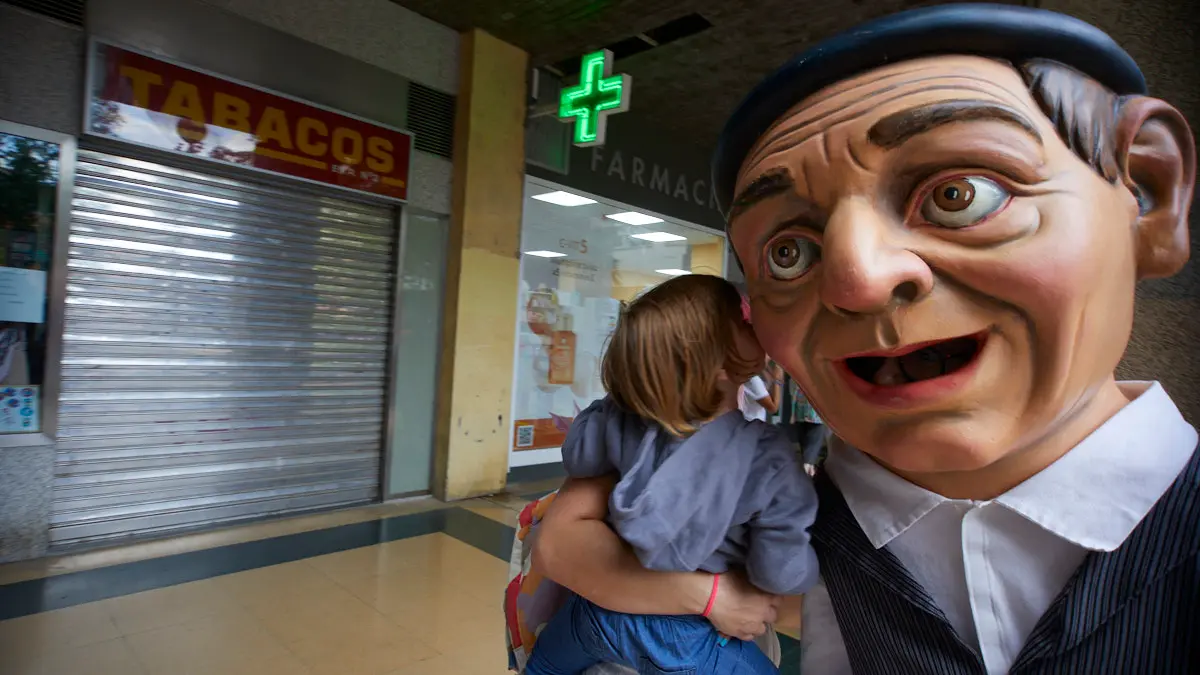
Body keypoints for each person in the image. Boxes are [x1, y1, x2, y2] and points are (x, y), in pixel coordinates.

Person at [529, 4, 1198, 674]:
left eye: (958, 194)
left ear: (1148, 191)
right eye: (788, 253)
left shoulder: (746, 467)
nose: (856, 281)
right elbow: (569, 544)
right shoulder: (801, 496)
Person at [522, 273, 818, 675]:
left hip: (594, 613)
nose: (756, 324)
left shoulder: (622, 419)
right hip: (688, 638)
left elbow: (580, 455)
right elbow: (779, 572)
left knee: (543, 666)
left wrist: (620, 402)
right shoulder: (769, 460)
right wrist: (810, 567)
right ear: (718, 363)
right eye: (744, 320)